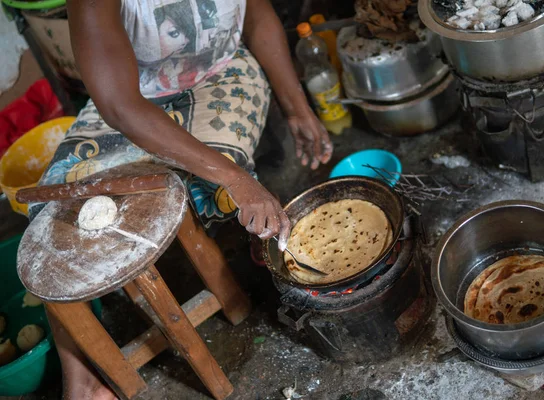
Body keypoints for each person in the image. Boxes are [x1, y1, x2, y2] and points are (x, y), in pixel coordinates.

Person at [39, 0, 334, 398]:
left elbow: (258, 15)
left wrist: (297, 108)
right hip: (132, 97)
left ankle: (260, 239)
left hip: (221, 72)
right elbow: (119, 107)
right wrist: (234, 178)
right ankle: (81, 377)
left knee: (208, 189)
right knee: (51, 214)